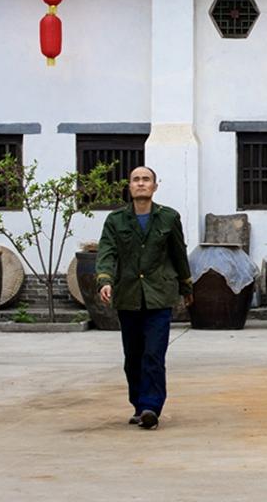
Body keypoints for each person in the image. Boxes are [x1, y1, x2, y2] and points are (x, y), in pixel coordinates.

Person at [96, 166, 193, 430]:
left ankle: (152, 407)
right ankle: (139, 405)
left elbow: (178, 254)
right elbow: (107, 252)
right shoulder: (116, 221)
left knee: (153, 353)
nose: (141, 184)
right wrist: (104, 280)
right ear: (129, 186)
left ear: (154, 186)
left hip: (159, 296)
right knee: (133, 356)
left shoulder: (168, 218)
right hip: (128, 296)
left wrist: (187, 288)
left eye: (146, 179)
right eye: (136, 180)